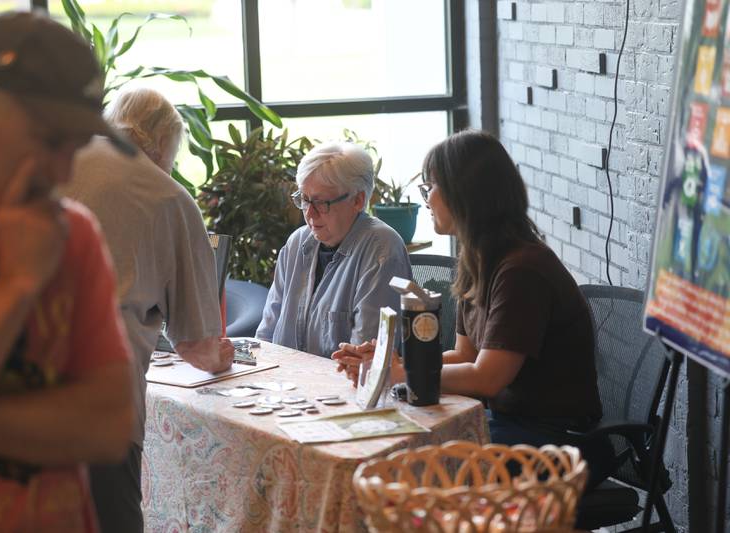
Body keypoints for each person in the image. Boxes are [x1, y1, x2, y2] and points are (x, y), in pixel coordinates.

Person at [0, 11, 136, 532]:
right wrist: (16, 285)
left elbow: (109, 425)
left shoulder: (74, 235)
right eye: (47, 141)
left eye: (74, 149)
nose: (62, 175)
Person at [333, 130, 614, 487]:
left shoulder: (521, 270)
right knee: (392, 445)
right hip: (509, 423)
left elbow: (487, 378)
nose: (426, 200)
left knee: (410, 466)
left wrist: (404, 375)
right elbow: (464, 353)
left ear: (463, 193)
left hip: (557, 441)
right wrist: (398, 363)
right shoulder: (480, 258)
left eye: (429, 188)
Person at [64, 87, 233, 533]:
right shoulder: (169, 197)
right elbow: (198, 347)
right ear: (161, 145)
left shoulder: (53, 155)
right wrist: (222, 358)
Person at [256, 142, 412, 358]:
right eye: (304, 199)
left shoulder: (382, 249)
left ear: (357, 200)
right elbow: (266, 337)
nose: (310, 213)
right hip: (286, 385)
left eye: (321, 203)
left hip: (344, 388)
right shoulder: (297, 243)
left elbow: (365, 361)